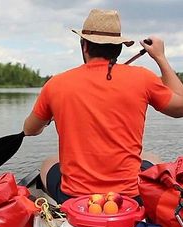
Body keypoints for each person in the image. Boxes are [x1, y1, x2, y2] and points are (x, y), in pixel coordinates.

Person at [23, 9, 183, 204]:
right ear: (119, 48)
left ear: (84, 46)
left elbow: (29, 130)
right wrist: (160, 57)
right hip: (130, 197)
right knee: (151, 157)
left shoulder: (56, 84)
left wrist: (48, 117)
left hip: (74, 197)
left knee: (48, 162)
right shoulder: (143, 78)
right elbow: (180, 107)